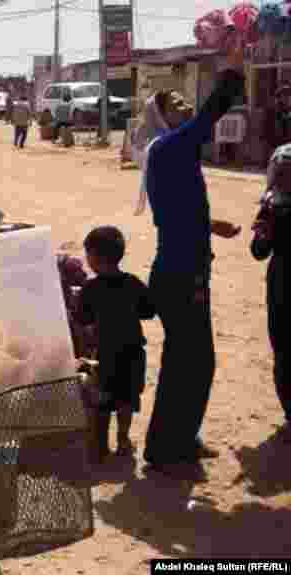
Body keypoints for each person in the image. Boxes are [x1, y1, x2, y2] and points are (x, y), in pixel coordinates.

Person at [140, 38, 245, 475]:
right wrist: (233, 67)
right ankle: (168, 448)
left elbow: (177, 212)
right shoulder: (171, 148)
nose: (186, 107)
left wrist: (210, 225)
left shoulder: (171, 153)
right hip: (180, 276)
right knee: (191, 361)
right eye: (178, 103)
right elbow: (211, 112)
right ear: (165, 118)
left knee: (190, 360)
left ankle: (179, 439)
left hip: (183, 271)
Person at [77, 226, 156, 462]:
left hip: (105, 354)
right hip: (132, 353)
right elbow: (149, 311)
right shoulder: (132, 283)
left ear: (95, 258)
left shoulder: (91, 288)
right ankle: (123, 439)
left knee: (102, 399)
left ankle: (100, 446)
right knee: (127, 399)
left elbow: (83, 318)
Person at [251, 144, 291, 441]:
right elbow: (258, 250)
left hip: (281, 281)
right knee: (284, 349)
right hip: (282, 282)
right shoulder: (272, 204)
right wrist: (264, 232)